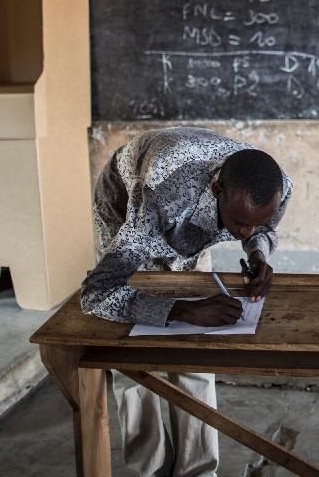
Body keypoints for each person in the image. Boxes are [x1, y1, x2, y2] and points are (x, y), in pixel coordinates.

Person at [81, 126, 291, 477]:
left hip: (186, 220)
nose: (244, 233)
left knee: (196, 350)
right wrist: (185, 309)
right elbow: (97, 295)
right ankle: (152, 470)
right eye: (239, 223)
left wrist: (258, 255)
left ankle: (198, 471)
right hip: (126, 211)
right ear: (216, 190)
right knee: (134, 357)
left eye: (256, 222)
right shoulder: (160, 194)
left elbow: (264, 231)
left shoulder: (277, 187)